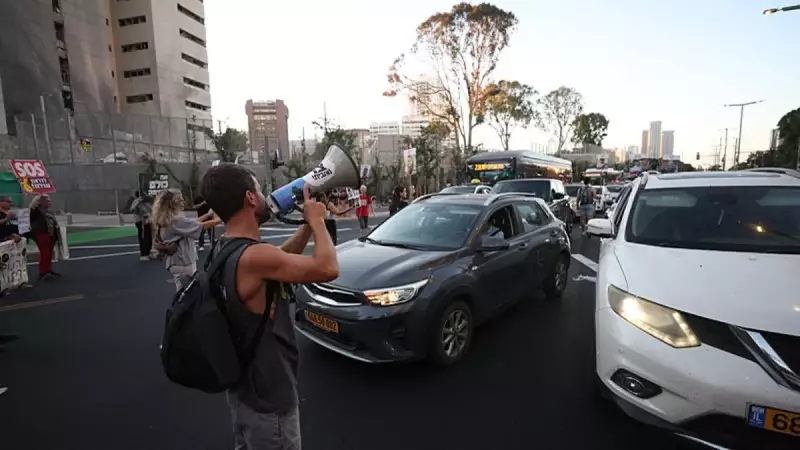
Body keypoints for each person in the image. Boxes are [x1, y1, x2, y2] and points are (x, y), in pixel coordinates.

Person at [200, 164, 338, 450]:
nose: (266, 197)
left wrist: (305, 227)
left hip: (244, 390)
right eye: (260, 190)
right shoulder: (255, 256)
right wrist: (319, 222)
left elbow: (281, 260)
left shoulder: (227, 247)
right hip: (270, 398)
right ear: (251, 198)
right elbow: (327, 268)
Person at [152, 189, 221, 291]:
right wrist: (220, 219)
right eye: (180, 200)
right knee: (188, 297)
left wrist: (208, 215)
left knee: (184, 295)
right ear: (173, 202)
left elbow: (191, 223)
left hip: (176, 262)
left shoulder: (168, 219)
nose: (183, 202)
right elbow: (201, 226)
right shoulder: (176, 220)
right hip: (183, 261)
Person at [29, 194, 62, 280]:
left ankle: (48, 269)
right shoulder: (35, 211)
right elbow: (30, 218)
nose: (49, 202)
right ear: (40, 202)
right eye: (47, 200)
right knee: (45, 253)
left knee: (50, 252)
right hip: (41, 233)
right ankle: (43, 271)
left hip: (51, 233)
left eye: (49, 200)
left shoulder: (48, 211)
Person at [130, 191, 154, 261]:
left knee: (148, 237)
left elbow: (150, 210)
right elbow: (132, 209)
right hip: (140, 221)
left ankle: (148, 252)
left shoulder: (146, 203)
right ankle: (143, 254)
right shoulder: (136, 202)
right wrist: (138, 202)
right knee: (143, 237)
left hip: (147, 221)